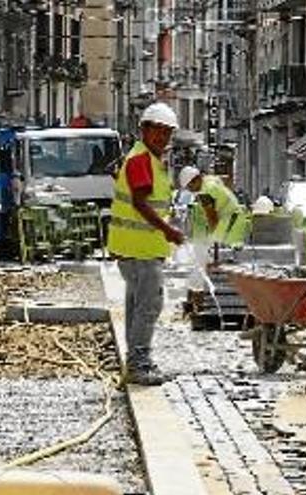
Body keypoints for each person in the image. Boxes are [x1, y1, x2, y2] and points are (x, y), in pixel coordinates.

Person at [107, 102, 185, 386]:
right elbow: (140, 203)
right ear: (144, 130)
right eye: (157, 132)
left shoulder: (147, 159)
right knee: (149, 305)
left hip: (135, 248)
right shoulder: (141, 160)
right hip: (140, 249)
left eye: (167, 133)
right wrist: (168, 230)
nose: (162, 138)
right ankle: (139, 364)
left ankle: (135, 360)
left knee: (137, 304)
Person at [178, 166, 250, 248]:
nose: (190, 190)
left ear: (195, 180)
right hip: (236, 218)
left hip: (230, 222)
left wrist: (209, 237)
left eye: (189, 187)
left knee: (218, 251)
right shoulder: (210, 180)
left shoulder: (205, 193)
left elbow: (212, 217)